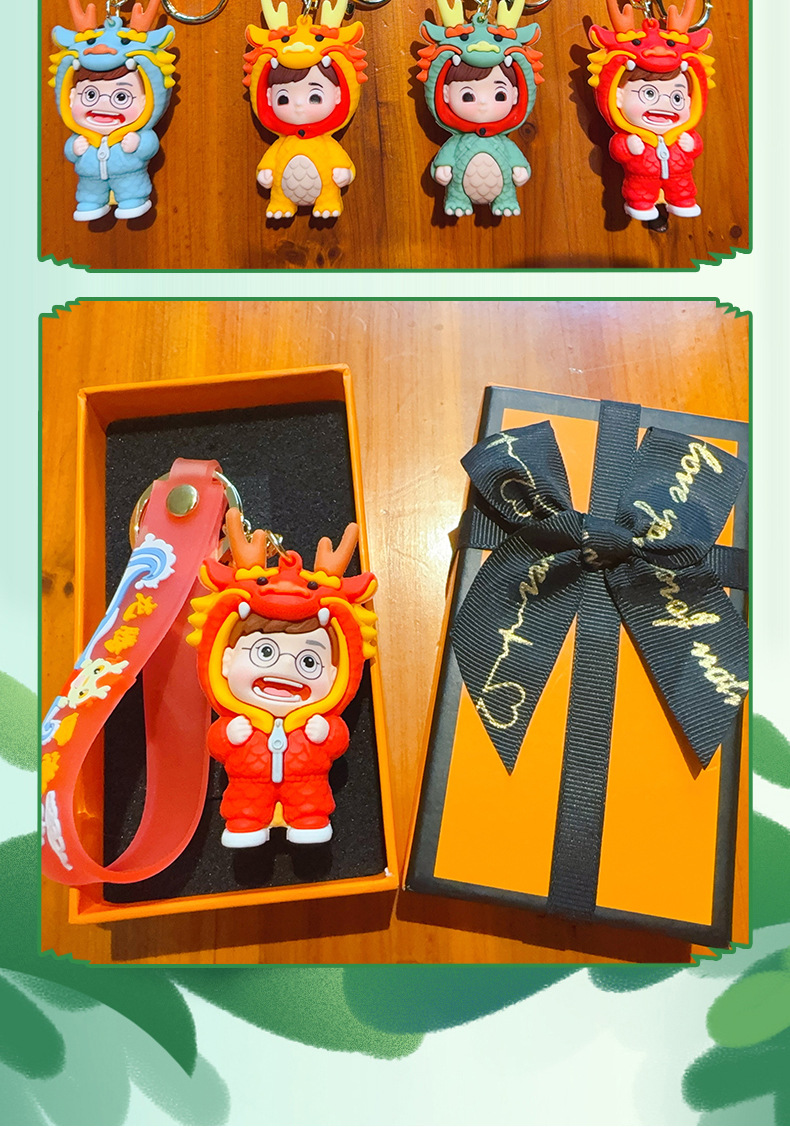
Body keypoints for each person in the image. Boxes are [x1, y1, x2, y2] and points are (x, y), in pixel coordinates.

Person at [207, 613, 348, 846]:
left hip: (307, 782)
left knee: (309, 801)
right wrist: (229, 735)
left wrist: (326, 733)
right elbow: (216, 744)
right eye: (265, 652)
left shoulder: (316, 719)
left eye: (309, 662)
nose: (286, 665)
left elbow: (337, 741)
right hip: (248, 782)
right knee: (246, 802)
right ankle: (245, 822)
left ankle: (309, 820)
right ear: (227, 661)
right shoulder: (237, 719)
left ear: (333, 676)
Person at [610, 66, 703, 220]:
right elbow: (618, 149)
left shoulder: (681, 134)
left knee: (683, 188)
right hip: (642, 176)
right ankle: (640, 204)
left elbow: (696, 148)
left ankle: (683, 201)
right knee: (640, 191)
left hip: (680, 175)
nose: (664, 103)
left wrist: (691, 144)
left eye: (677, 98)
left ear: (688, 102)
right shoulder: (632, 136)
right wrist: (628, 146)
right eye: (649, 93)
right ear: (619, 97)